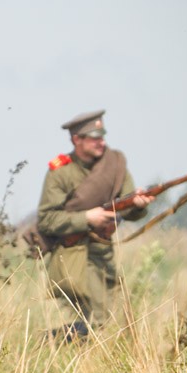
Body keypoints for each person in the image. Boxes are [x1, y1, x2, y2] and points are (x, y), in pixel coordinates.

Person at [36, 110, 154, 337]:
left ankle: (53, 341)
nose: (101, 142)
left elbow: (129, 212)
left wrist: (139, 205)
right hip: (74, 256)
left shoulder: (115, 165)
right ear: (76, 139)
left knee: (117, 319)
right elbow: (47, 220)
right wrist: (87, 218)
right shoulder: (61, 172)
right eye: (94, 137)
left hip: (104, 253)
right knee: (101, 323)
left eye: (102, 136)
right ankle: (51, 341)